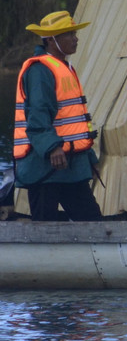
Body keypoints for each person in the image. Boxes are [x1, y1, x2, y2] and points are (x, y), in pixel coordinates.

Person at [13, 11, 102, 221]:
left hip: (70, 163)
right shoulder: (40, 70)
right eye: (69, 34)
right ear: (51, 40)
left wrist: (89, 157)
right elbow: (38, 114)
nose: (75, 38)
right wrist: (52, 147)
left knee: (91, 223)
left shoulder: (64, 67)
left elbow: (74, 122)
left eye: (74, 33)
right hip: (45, 165)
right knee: (45, 225)